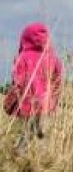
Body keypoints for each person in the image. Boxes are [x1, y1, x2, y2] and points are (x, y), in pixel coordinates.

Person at [6, 23, 64, 152]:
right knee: (42, 134)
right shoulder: (52, 58)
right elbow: (57, 82)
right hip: (46, 104)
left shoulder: (22, 58)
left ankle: (21, 156)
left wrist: (10, 102)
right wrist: (55, 100)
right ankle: (43, 158)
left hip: (26, 104)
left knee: (26, 133)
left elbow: (17, 83)